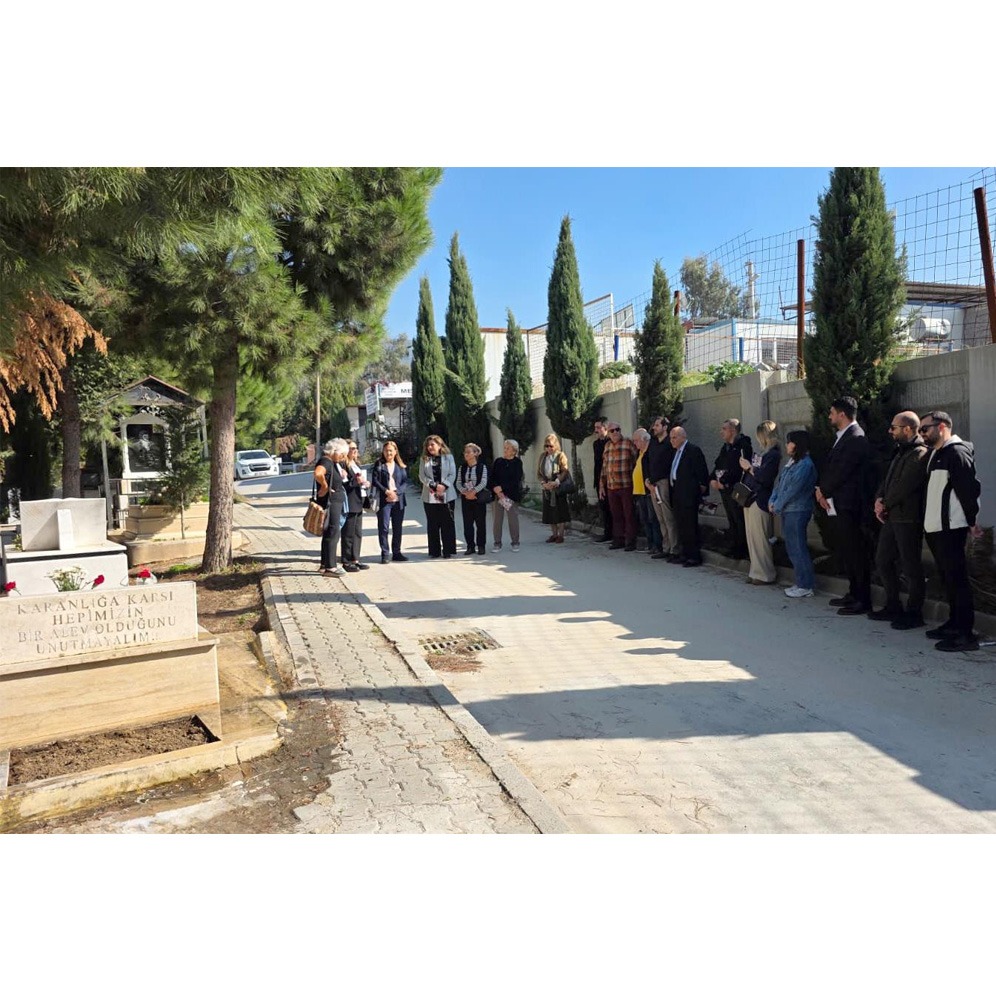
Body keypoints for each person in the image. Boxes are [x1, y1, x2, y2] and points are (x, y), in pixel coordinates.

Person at [919, 411, 983, 652]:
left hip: (951, 527)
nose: (922, 434)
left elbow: (969, 489)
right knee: (947, 578)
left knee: (957, 580)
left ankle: (965, 634)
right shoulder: (937, 453)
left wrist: (972, 521)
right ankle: (954, 624)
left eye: (925, 429)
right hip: (935, 527)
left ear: (942, 426)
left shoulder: (957, 452)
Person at [816, 396, 875, 616]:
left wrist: (823, 490)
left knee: (856, 552)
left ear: (842, 414)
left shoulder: (856, 438)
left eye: (832, 412)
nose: (829, 416)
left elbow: (843, 471)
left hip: (851, 505)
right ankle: (853, 592)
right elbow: (832, 469)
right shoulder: (843, 437)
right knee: (847, 551)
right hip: (839, 503)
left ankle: (862, 599)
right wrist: (821, 490)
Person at [869, 412, 929, 628]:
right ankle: (893, 605)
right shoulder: (900, 451)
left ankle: (914, 613)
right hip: (892, 516)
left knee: (911, 566)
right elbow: (888, 480)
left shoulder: (920, 453)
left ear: (907, 429)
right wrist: (879, 499)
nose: (890, 431)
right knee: (883, 560)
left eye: (893, 427)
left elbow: (905, 485)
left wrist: (885, 503)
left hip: (908, 518)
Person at [768, 430, 818, 598]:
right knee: (792, 547)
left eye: (790, 442)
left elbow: (793, 490)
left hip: (798, 510)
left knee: (798, 547)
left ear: (798, 444)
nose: (787, 445)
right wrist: (772, 500)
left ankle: (806, 585)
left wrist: (777, 505)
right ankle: (801, 581)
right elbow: (780, 484)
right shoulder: (791, 463)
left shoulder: (805, 465)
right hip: (788, 510)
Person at [738, 420, 781, 585]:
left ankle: (765, 574)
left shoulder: (773, 455)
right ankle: (755, 571)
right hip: (750, 497)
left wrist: (749, 467)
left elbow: (764, 477)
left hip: (760, 498)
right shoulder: (764, 453)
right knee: (751, 536)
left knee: (760, 538)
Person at [709, 418, 753, 559]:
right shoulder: (726, 447)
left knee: (739, 519)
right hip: (725, 489)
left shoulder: (743, 446)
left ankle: (743, 550)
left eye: (724, 429)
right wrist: (713, 478)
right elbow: (718, 464)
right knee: (732, 519)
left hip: (737, 489)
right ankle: (734, 547)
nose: (721, 432)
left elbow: (739, 469)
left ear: (733, 430)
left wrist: (725, 481)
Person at [667, 425, 710, 566]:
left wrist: (700, 491)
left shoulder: (692, 450)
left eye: (674, 437)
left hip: (689, 495)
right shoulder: (676, 452)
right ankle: (684, 554)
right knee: (681, 525)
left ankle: (694, 556)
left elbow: (702, 472)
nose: (672, 440)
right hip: (677, 493)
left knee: (690, 526)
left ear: (683, 437)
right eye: (670, 438)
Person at [313, 438, 352, 577]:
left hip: (334, 502)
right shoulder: (326, 461)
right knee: (333, 532)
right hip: (331, 503)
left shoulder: (332, 462)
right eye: (342, 454)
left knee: (329, 532)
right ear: (334, 451)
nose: (343, 457)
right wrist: (324, 486)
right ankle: (331, 567)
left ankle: (325, 564)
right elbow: (318, 473)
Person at [598, 422, 639, 551]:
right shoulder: (607, 446)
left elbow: (636, 461)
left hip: (626, 485)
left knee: (629, 514)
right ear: (608, 433)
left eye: (617, 429)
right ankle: (618, 540)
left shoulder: (628, 443)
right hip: (611, 486)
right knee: (616, 515)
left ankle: (630, 541)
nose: (615, 432)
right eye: (612, 431)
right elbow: (604, 467)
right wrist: (601, 485)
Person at [644, 415, 679, 561]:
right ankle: (666, 547)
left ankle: (674, 549)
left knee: (668, 517)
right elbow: (646, 461)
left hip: (664, 483)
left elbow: (670, 465)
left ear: (665, 427)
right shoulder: (653, 443)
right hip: (652, 484)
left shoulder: (669, 444)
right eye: (654, 425)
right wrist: (647, 480)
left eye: (657, 425)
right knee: (660, 518)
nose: (654, 427)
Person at [370, 440, 409, 564]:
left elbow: (405, 482)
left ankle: (396, 553)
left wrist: (396, 493)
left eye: (391, 451)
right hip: (384, 500)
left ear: (395, 451)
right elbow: (375, 481)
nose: (388, 453)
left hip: (398, 501)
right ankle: (385, 554)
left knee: (397, 528)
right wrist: (387, 492)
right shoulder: (379, 465)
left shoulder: (400, 466)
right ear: (383, 451)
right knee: (384, 528)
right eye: (386, 451)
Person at [420, 435, 458, 559]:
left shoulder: (449, 457)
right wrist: (433, 485)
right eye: (428, 445)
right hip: (430, 495)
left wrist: (444, 485)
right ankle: (434, 551)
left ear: (440, 445)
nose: (430, 447)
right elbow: (422, 476)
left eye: (432, 444)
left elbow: (452, 473)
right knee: (433, 523)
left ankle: (448, 550)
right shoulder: (424, 459)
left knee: (447, 522)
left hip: (447, 495)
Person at [339, 441, 370, 573]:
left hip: (359, 500)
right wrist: (355, 482)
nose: (355, 450)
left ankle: (355, 559)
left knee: (357, 532)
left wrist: (365, 483)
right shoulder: (343, 465)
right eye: (352, 448)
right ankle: (346, 561)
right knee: (348, 533)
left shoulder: (356, 464)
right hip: (350, 502)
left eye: (356, 448)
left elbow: (359, 481)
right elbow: (343, 484)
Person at [632, 429, 663, 556]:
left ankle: (657, 545)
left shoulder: (650, 452)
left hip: (649, 490)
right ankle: (650, 545)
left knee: (653, 518)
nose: (634, 443)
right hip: (640, 491)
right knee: (645, 518)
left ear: (644, 439)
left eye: (636, 440)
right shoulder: (639, 453)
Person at [490, 438, 524, 552]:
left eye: (508, 448)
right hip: (498, 495)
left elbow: (516, 479)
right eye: (504, 448)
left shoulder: (517, 463)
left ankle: (515, 542)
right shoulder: (498, 461)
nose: (505, 450)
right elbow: (492, 477)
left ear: (514, 451)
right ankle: (497, 543)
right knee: (497, 520)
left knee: (513, 519)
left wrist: (502, 488)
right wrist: (497, 490)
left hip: (511, 495)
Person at [538, 432, 571, 543]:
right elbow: (539, 473)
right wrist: (543, 483)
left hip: (558, 487)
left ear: (555, 445)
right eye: (546, 446)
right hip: (547, 487)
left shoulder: (560, 455)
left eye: (551, 446)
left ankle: (561, 535)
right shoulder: (543, 456)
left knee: (560, 512)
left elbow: (565, 471)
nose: (549, 448)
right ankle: (554, 534)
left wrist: (557, 481)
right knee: (550, 512)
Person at [458, 442, 490, 555]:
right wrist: (465, 492)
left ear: (476, 453)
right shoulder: (462, 467)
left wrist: (474, 491)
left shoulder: (482, 467)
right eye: (465, 452)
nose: (466, 454)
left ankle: (481, 546)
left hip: (478, 498)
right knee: (467, 524)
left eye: (468, 452)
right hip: (466, 499)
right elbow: (458, 482)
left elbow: (484, 482)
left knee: (480, 524)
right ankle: (470, 546)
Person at [591, 418, 613, 542]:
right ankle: (607, 532)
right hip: (599, 478)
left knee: (612, 507)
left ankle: (616, 533)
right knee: (604, 507)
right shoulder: (596, 444)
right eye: (595, 428)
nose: (596, 430)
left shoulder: (610, 442)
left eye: (599, 428)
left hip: (610, 479)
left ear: (606, 428)